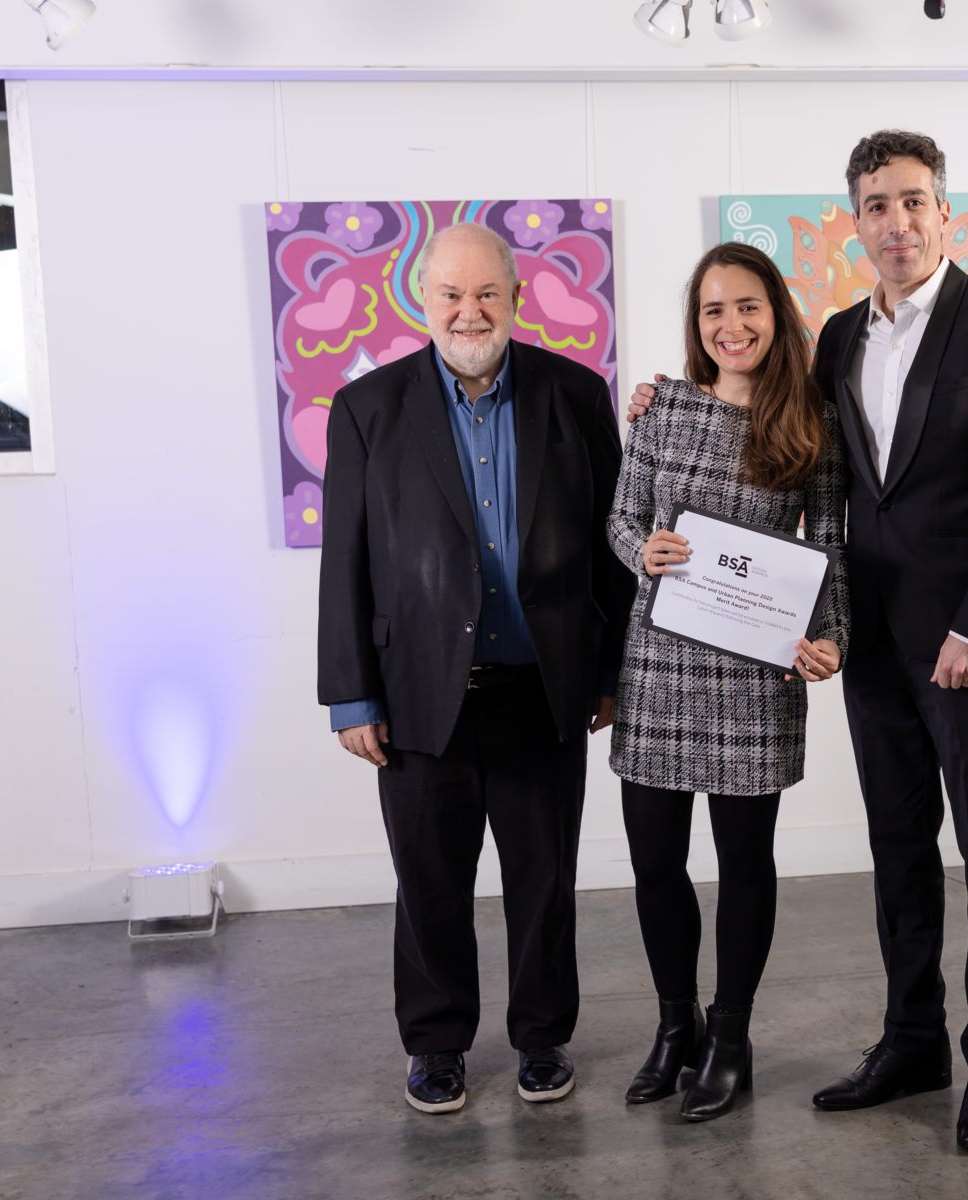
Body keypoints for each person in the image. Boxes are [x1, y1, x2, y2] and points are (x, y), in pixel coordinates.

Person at [629, 131, 968, 1153]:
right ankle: (911, 1039)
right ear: (856, 221)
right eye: (876, 204)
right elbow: (792, 457)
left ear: (944, 212)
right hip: (870, 646)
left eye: (913, 201)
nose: (896, 222)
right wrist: (661, 399)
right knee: (898, 851)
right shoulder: (835, 337)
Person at [318, 221, 635, 1116]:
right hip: (419, 694)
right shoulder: (368, 409)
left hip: (543, 690)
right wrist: (350, 694)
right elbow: (343, 557)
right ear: (424, 303)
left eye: (487, 293)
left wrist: (609, 669)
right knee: (429, 884)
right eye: (451, 295)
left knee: (544, 880)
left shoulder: (575, 395)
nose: (470, 311)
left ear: (515, 297)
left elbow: (611, 547)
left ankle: (542, 1037)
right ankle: (436, 1044)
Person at [607, 241, 848, 1122]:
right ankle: (676, 1028)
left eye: (746, 306)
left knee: (745, 864)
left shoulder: (811, 419)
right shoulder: (662, 407)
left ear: (774, 315)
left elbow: (829, 549)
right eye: (713, 310)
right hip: (659, 664)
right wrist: (646, 552)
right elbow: (622, 518)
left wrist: (829, 639)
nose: (730, 324)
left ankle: (731, 1037)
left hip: (756, 676)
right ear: (696, 324)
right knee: (654, 861)